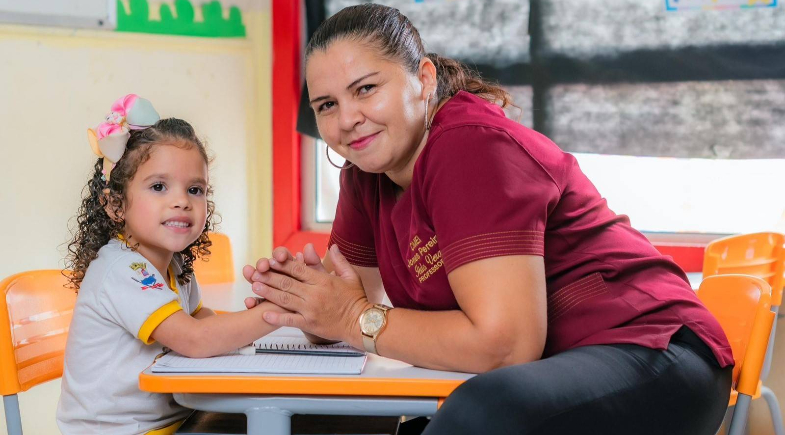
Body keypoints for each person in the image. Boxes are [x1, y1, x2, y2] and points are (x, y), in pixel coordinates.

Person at [244, 4, 733, 435]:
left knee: (479, 411)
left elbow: (505, 346)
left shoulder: (468, 147)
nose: (346, 118)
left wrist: (349, 318)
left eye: (366, 89)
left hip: (654, 352)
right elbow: (354, 305)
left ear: (425, 79)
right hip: (557, 368)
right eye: (326, 105)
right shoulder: (364, 175)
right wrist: (308, 304)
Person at [58, 94, 286, 435]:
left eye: (195, 189)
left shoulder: (174, 266)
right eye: (159, 186)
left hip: (172, 423)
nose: (181, 201)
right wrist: (277, 310)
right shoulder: (122, 270)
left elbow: (200, 320)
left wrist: (248, 322)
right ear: (116, 205)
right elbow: (195, 339)